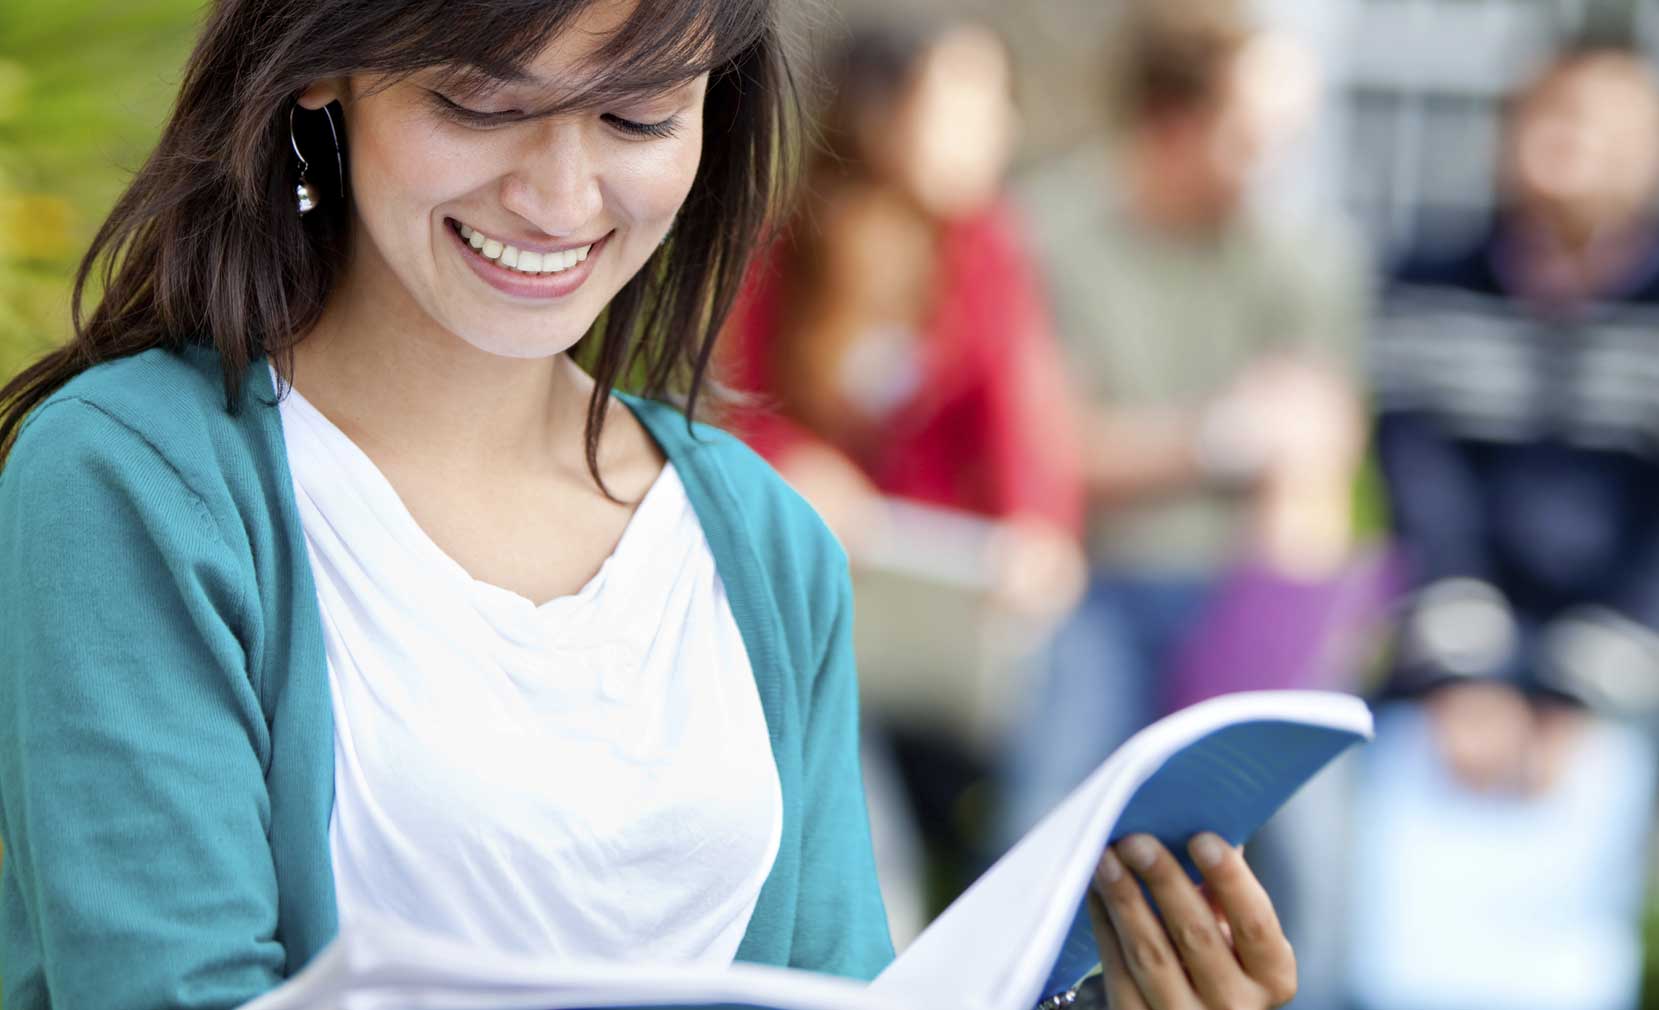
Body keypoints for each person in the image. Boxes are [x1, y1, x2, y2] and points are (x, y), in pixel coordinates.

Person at [0, 1, 1301, 1007]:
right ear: (325, 70)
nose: (562, 198)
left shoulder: (759, 538)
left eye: (636, 121)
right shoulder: (131, 485)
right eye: (480, 102)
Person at [1345, 33, 1659, 1010]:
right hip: (1441, 669)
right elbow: (1418, 499)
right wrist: (1465, 677)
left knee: (1558, 959)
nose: (1570, 145)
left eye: (1606, 126)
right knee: (1394, 954)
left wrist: (1576, 694)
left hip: (1618, 675)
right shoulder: (1426, 287)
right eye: (1553, 117)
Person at [998, 0, 1370, 842]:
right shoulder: (1045, 234)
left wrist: (1277, 647)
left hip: (1249, 586)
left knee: (1307, 841)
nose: (1272, 164)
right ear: (1171, 122)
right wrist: (1227, 436)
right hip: (1088, 583)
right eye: (1251, 136)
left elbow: (1317, 456)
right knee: (1047, 823)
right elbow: (1050, 451)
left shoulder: (1303, 253)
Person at [724, 16, 1085, 622]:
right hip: (822, 565)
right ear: (880, 118)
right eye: (963, 109)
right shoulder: (796, 251)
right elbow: (743, 405)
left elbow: (1022, 412)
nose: (997, 131)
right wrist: (799, 461)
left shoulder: (988, 247)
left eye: (999, 105)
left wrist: (1040, 529)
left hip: (956, 582)